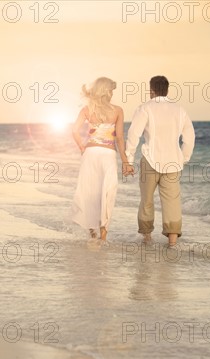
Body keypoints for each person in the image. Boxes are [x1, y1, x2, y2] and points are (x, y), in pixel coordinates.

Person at [125, 75, 195, 245]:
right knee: (172, 202)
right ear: (167, 89)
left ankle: (147, 237)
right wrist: (184, 158)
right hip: (173, 162)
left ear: (151, 90)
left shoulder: (145, 108)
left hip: (150, 160)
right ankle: (172, 243)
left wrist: (128, 159)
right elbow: (190, 137)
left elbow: (134, 134)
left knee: (147, 200)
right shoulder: (179, 109)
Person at [71, 77, 130, 242]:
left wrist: (82, 147)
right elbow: (119, 138)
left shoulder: (86, 109)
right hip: (108, 155)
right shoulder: (118, 110)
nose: (112, 94)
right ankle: (103, 235)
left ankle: (92, 233)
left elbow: (74, 131)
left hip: (90, 154)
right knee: (108, 191)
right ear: (106, 91)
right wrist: (125, 162)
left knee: (90, 191)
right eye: (111, 90)